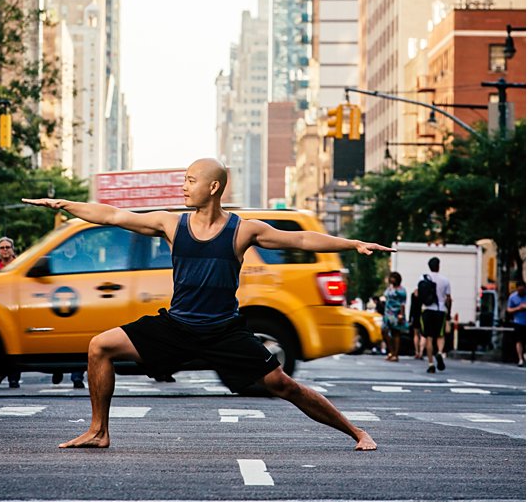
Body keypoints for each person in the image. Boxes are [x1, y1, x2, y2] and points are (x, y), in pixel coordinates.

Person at [23, 157, 392, 451]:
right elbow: (115, 216)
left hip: (224, 331)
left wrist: (352, 243)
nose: (183, 186)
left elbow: (300, 239)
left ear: (213, 186)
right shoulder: (171, 224)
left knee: (285, 385)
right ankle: (98, 431)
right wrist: (65, 204)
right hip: (177, 326)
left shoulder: (243, 230)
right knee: (99, 346)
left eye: (190, 180)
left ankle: (357, 431)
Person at [50, 237, 95, 389]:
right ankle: (58, 369)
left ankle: (77, 376)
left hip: (79, 305)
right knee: (59, 341)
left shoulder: (86, 259)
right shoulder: (55, 259)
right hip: (58, 306)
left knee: (78, 343)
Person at [0, 237, 22, 389]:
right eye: (2, 248)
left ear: (12, 249)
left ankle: (14, 379)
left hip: (17, 308)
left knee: (15, 344)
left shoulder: (20, 265)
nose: (5, 250)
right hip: (0, 309)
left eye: (8, 247)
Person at [415, 256, 451, 374]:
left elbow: (417, 293)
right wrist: (448, 313)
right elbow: (448, 298)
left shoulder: (423, 278)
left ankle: (430, 364)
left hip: (427, 310)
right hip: (440, 310)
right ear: (438, 266)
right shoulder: (445, 280)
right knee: (440, 336)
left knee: (428, 337)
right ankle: (439, 352)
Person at [381, 272, 407, 362]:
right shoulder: (390, 288)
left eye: (393, 278)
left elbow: (403, 303)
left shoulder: (401, 290)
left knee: (396, 333)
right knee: (384, 331)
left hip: (396, 313)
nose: (391, 279)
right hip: (387, 313)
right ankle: (391, 351)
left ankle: (395, 354)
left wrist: (401, 314)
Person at [506, 280, 526, 367]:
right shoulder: (512, 297)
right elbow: (509, 309)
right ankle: (520, 358)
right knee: (519, 340)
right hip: (518, 321)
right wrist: (518, 308)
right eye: (519, 290)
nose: (521, 291)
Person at [408, 289, 425, 359]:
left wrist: (410, 317)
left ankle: (416, 352)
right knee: (423, 335)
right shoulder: (426, 293)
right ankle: (421, 352)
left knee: (416, 334)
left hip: (415, 315)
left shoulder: (414, 294)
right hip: (424, 315)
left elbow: (412, 306)